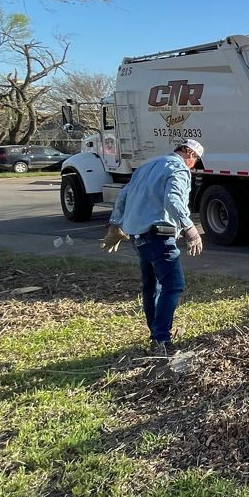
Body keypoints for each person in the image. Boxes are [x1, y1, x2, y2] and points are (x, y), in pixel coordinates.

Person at [100, 140, 205, 357]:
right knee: (173, 285)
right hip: (160, 236)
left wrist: (115, 224)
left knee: (152, 286)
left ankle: (156, 336)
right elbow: (173, 200)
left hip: (139, 237)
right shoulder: (179, 168)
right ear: (189, 153)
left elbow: (123, 195)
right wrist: (190, 229)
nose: (193, 167)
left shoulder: (147, 166)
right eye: (195, 161)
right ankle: (161, 340)